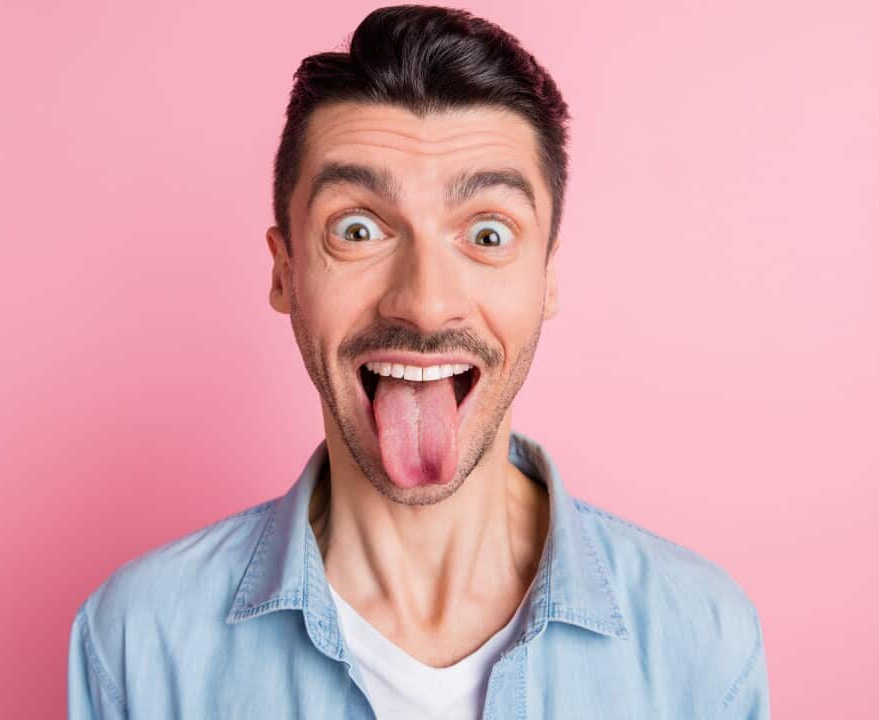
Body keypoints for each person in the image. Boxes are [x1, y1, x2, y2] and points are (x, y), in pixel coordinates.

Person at [68, 5, 770, 718]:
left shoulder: (701, 642)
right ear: (284, 273)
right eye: (357, 230)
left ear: (548, 277)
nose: (426, 305)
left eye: (488, 234)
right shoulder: (138, 643)